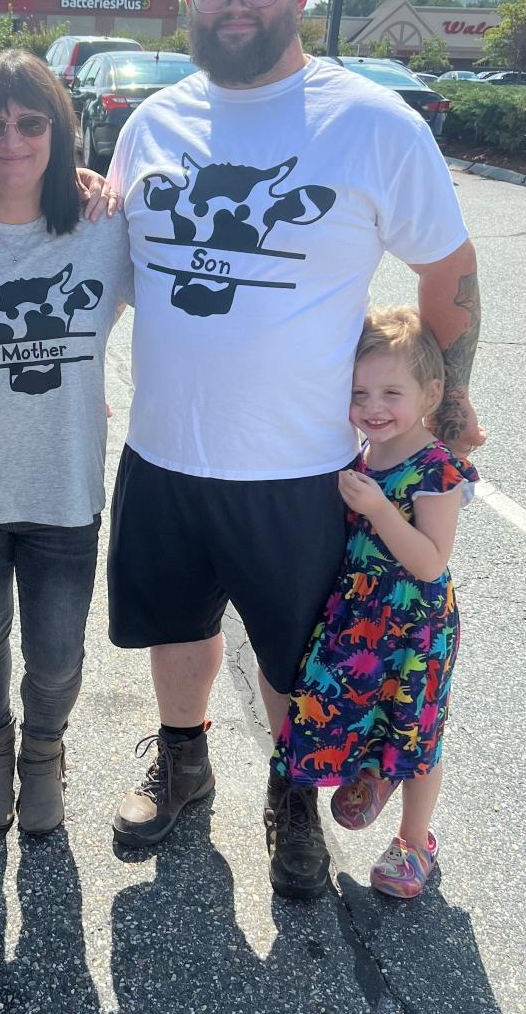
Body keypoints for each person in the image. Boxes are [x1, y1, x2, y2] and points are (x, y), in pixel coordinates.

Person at [105, 0, 485, 899]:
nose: (236, 4)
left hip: (302, 467)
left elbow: (449, 271)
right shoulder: (153, 120)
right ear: (190, 1)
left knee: (293, 658)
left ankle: (293, 797)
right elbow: (104, 260)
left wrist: (449, 399)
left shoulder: (370, 122)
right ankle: (182, 767)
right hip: (166, 450)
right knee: (179, 632)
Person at [0, 50, 132, 835]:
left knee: (57, 652)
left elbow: (192, 316)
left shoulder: (106, 226)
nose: (13, 139)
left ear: (60, 131)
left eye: (32, 122)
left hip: (64, 484)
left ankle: (43, 754)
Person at [271, 306, 478, 899]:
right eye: (358, 392)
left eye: (392, 391)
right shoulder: (362, 455)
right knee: (332, 704)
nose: (373, 406)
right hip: (358, 618)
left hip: (416, 627)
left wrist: (379, 509)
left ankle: (415, 841)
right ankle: (370, 768)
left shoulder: (436, 469)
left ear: (430, 392)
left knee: (418, 731)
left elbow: (431, 561)